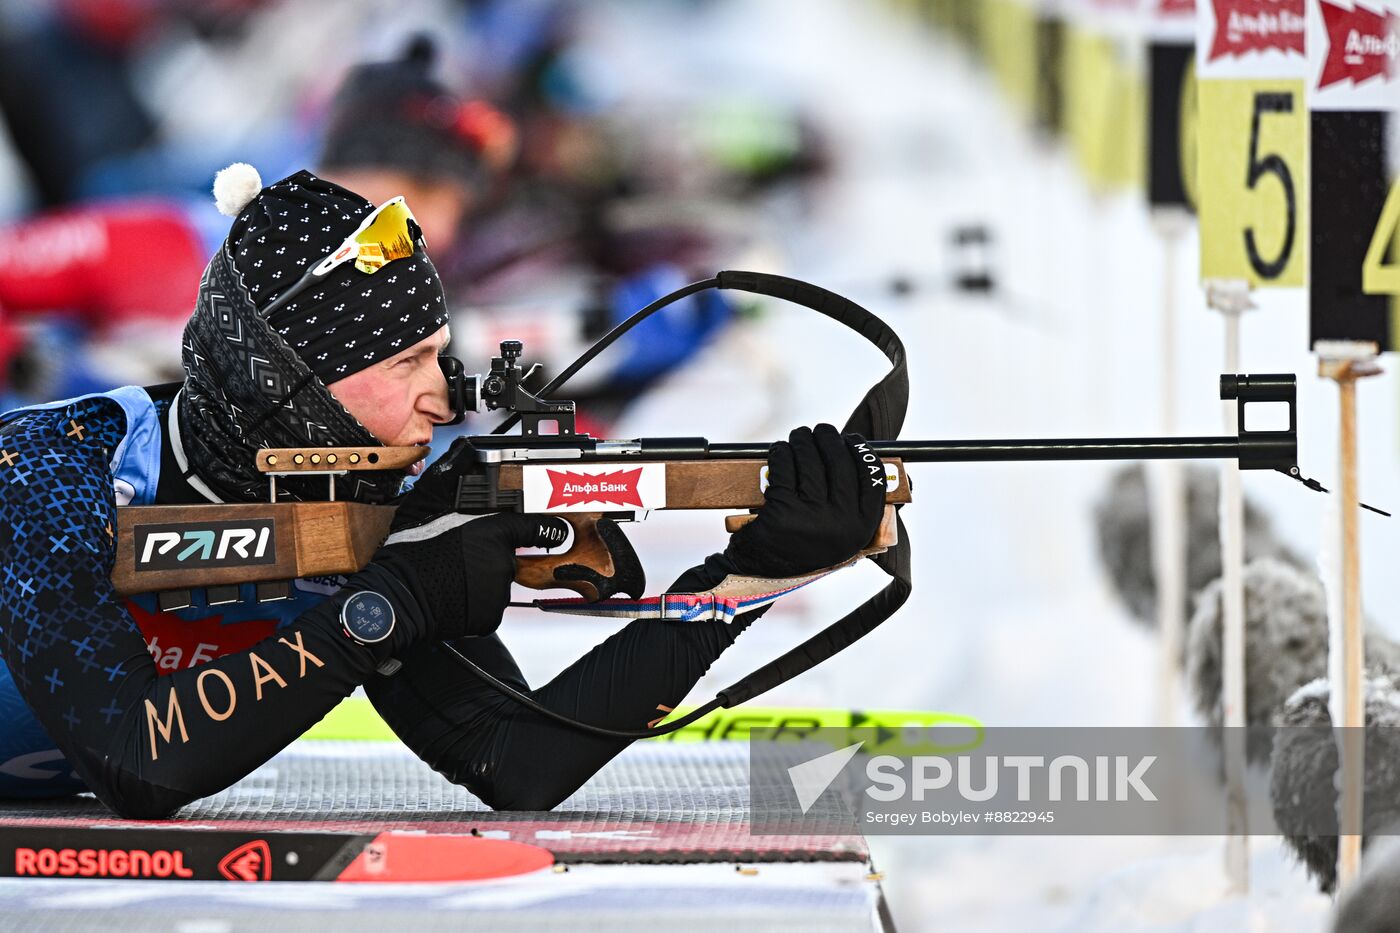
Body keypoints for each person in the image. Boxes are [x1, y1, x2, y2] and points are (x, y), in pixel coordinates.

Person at [0, 166, 885, 816]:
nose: (445, 394)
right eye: (405, 363)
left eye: (439, 353)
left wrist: (749, 576)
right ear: (289, 380)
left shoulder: (358, 504)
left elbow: (516, 756)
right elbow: (140, 764)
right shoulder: (44, 473)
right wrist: (384, 608)